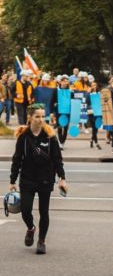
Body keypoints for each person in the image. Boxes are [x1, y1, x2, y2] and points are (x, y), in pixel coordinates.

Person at [9, 103, 67, 255]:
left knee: (44, 212)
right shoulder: (23, 137)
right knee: (25, 210)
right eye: (37, 116)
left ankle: (41, 241)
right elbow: (17, 159)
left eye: (43, 116)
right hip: (27, 179)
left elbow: (57, 159)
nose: (41, 119)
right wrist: (12, 181)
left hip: (45, 179)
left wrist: (62, 178)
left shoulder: (50, 136)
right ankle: (31, 228)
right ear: (30, 118)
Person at [87, 80, 102, 149]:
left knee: (96, 128)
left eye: (95, 85)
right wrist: (88, 93)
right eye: (92, 85)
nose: (94, 87)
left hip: (98, 112)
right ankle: (96, 143)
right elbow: (87, 103)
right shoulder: (89, 94)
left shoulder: (99, 93)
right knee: (94, 127)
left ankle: (91, 139)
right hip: (91, 112)